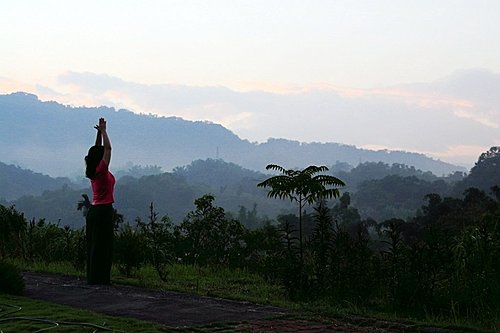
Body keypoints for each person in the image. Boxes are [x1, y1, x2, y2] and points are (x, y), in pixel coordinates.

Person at [84, 117, 115, 285]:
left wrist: (98, 134)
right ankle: (101, 279)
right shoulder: (102, 170)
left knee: (94, 245)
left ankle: (93, 278)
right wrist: (104, 132)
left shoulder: (93, 170)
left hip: (94, 211)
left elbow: (97, 151)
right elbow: (108, 149)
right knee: (104, 246)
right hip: (104, 211)